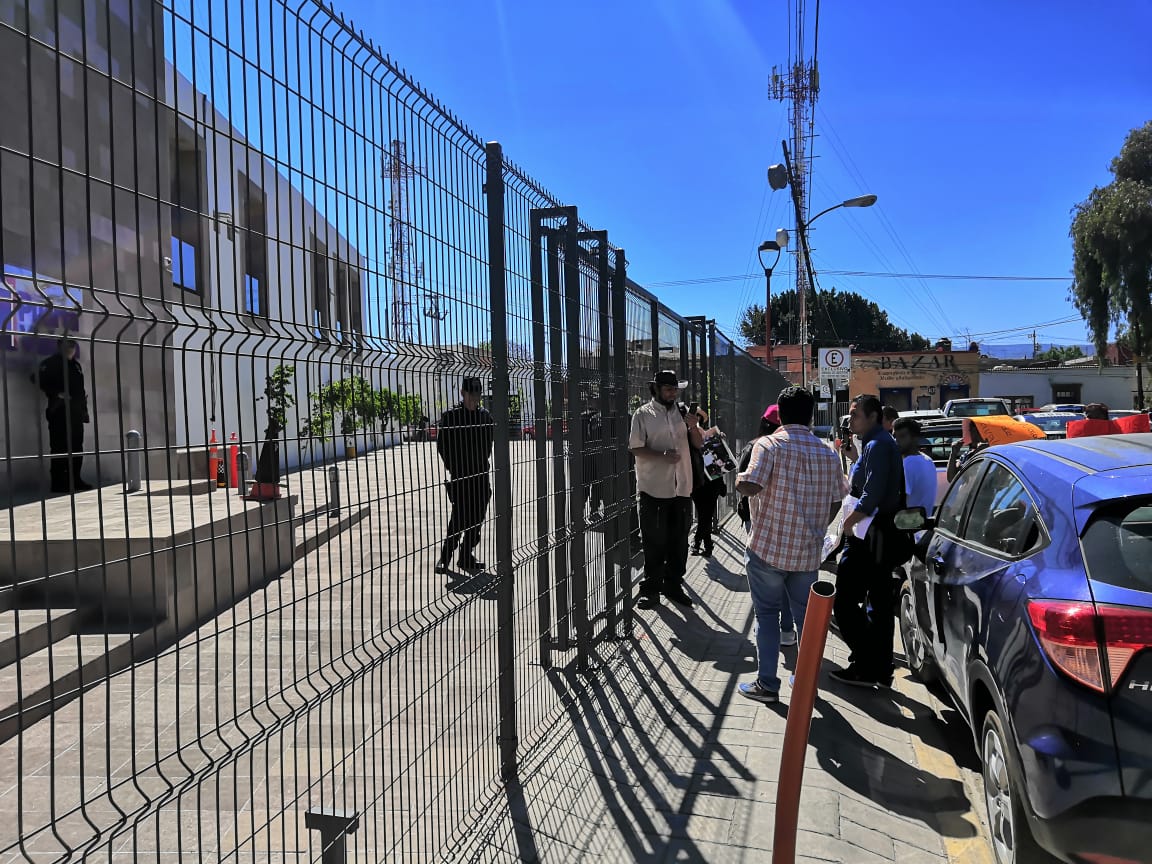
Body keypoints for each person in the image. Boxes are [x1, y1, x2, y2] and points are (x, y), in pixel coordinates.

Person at [735, 387, 849, 703]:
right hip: (807, 553)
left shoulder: (768, 446)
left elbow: (750, 485)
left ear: (780, 415)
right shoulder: (827, 453)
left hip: (767, 549)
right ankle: (806, 681)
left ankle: (767, 684)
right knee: (806, 619)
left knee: (767, 617)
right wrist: (817, 528)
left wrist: (737, 478)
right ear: (811, 416)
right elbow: (839, 500)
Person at [831, 394, 907, 688]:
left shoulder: (878, 445)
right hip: (876, 532)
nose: (851, 420)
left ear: (873, 416)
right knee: (877, 602)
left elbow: (872, 493)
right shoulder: (874, 444)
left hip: (869, 533)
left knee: (846, 601)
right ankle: (878, 665)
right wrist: (854, 458)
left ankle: (867, 662)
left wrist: (849, 523)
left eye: (856, 415)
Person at [629, 370, 699, 610]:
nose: (673, 393)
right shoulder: (642, 415)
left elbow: (699, 444)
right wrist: (662, 456)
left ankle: (673, 585)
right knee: (654, 542)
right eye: (668, 389)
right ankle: (651, 590)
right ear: (656, 389)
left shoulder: (683, 412)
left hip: (682, 488)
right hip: (654, 490)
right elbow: (636, 448)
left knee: (679, 542)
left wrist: (693, 427)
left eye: (675, 389)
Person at [737, 404, 797, 645]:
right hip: (788, 520)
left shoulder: (756, 446)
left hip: (758, 518)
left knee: (765, 579)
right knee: (787, 580)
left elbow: (743, 481)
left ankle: (768, 629)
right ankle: (787, 629)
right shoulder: (792, 446)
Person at [435, 377, 495, 575]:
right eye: (471, 395)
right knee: (459, 518)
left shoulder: (485, 417)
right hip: (461, 476)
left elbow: (488, 443)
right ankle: (445, 557)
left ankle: (466, 555)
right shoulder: (451, 417)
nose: (474, 399)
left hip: (480, 475)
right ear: (463, 393)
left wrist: (479, 463)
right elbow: (442, 445)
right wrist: (455, 467)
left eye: (477, 395)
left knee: (477, 519)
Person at [38, 338, 91, 494]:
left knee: (76, 447)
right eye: (68, 346)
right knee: (59, 447)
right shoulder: (51, 363)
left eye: (73, 346)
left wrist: (84, 411)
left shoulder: (76, 366)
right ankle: (58, 483)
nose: (71, 349)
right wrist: (56, 394)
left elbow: (81, 391)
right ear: (60, 347)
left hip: (75, 412)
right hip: (59, 411)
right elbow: (38, 379)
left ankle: (75, 479)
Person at [689, 408, 726, 558]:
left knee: (705, 514)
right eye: (694, 417)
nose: (696, 420)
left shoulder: (711, 435)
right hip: (698, 481)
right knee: (705, 514)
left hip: (713, 480)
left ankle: (698, 542)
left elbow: (719, 460)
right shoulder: (686, 436)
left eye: (699, 417)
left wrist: (720, 441)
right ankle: (706, 544)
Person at [893, 418, 937, 514]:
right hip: (922, 523)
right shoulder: (928, 460)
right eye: (895, 436)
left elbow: (895, 500)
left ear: (915, 438)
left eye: (902, 436)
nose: (897, 441)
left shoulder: (908, 464)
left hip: (908, 525)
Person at [580, 390, 605, 521]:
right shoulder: (593, 417)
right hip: (590, 457)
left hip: (590, 456)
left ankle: (590, 512)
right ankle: (588, 512)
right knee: (591, 486)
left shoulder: (590, 417)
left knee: (595, 485)